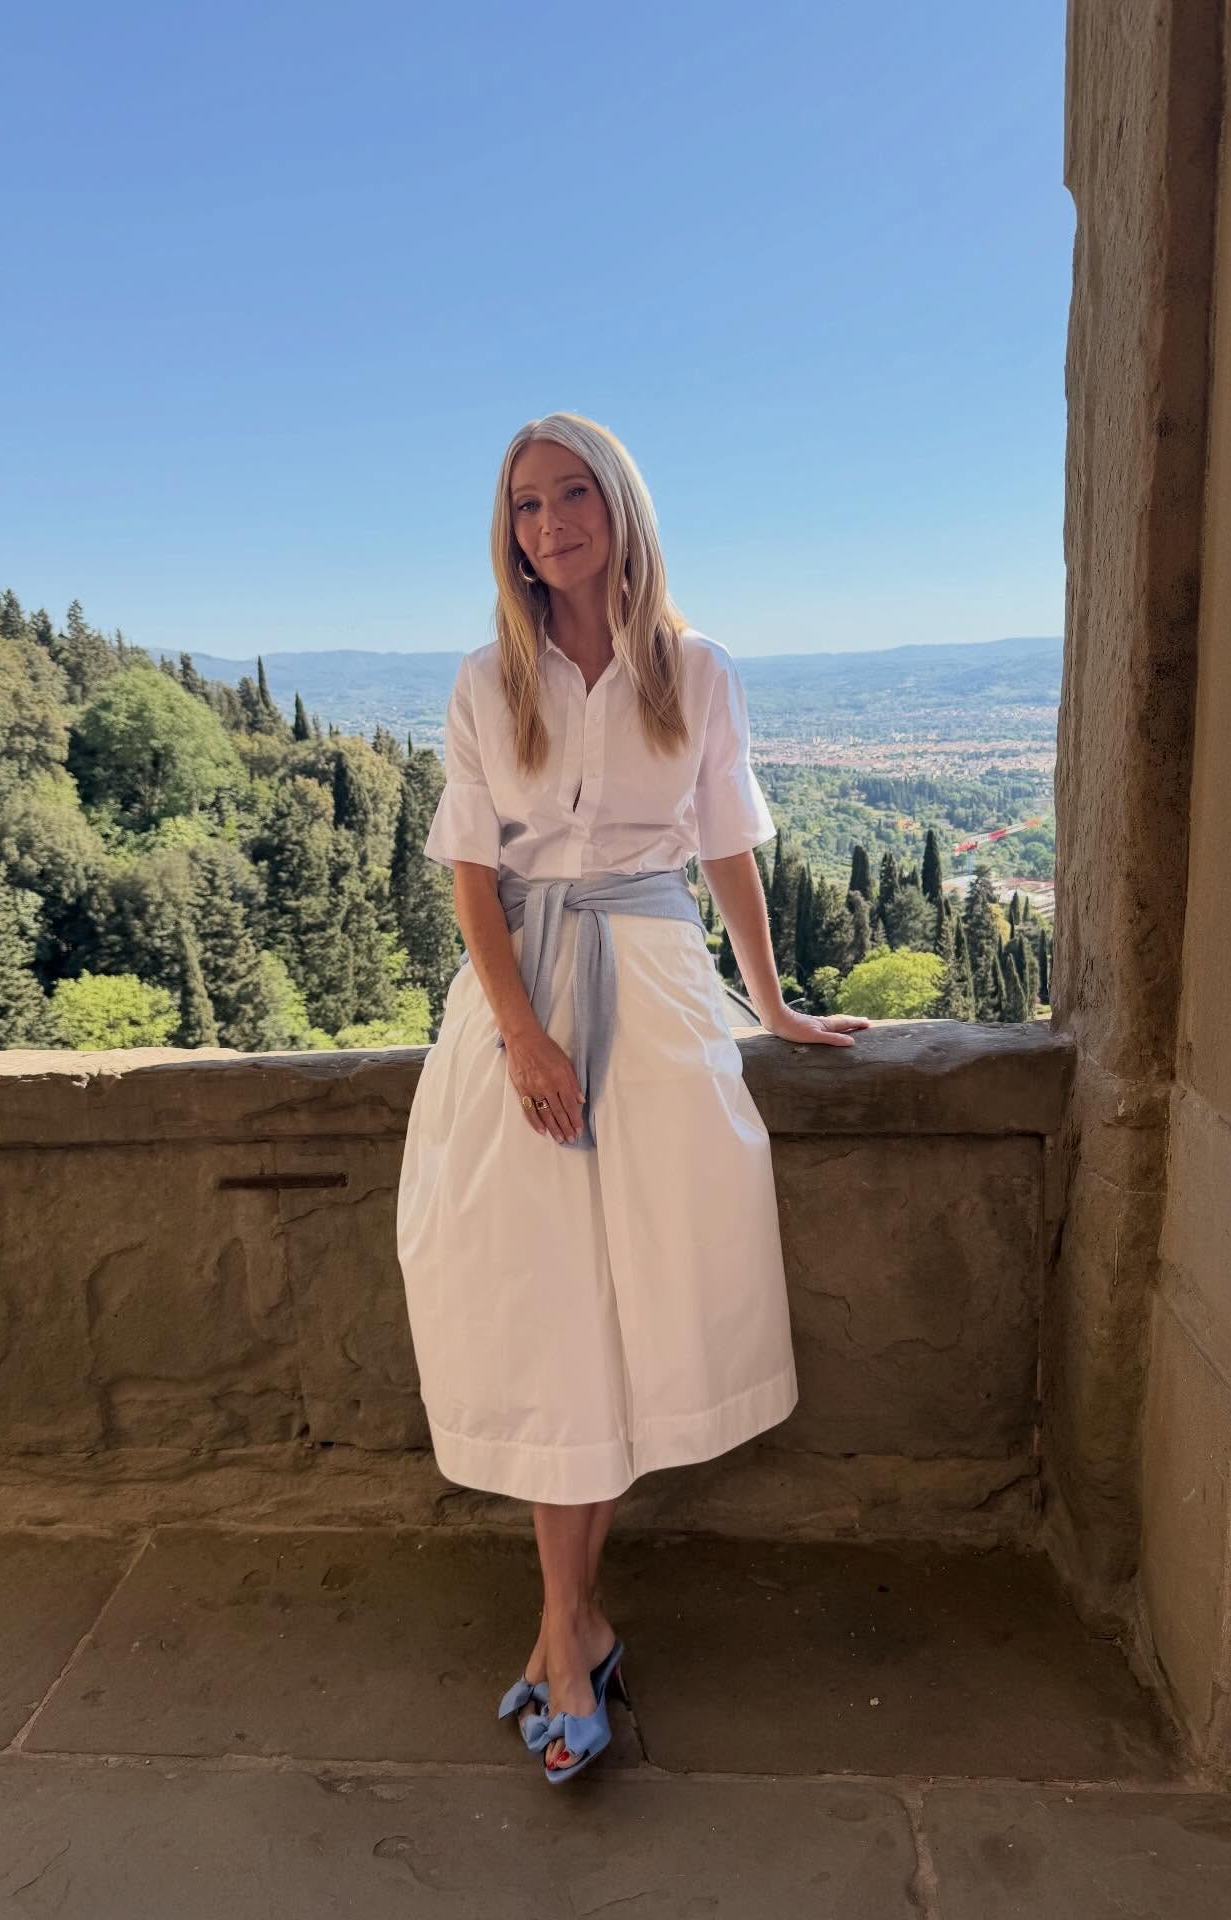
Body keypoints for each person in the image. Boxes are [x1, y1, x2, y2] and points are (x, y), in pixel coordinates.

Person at [395, 411, 866, 1784]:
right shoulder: (490, 681)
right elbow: (475, 879)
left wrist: (770, 1003)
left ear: (619, 509)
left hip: (658, 998)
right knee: (544, 1307)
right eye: (526, 506)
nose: (550, 524)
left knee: (622, 1305)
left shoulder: (696, 670)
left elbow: (725, 846)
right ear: (512, 537)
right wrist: (524, 1039)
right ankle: (568, 1627)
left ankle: (567, 1631)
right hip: (522, 1004)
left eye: (572, 495)